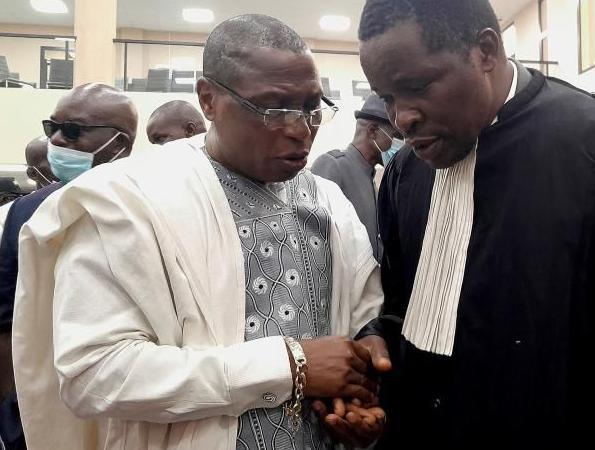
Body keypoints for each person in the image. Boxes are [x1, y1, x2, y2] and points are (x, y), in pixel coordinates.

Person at [354, 0, 595, 448]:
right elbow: (404, 307)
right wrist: (377, 341)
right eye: (388, 98)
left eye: (419, 86)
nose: (401, 119)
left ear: (485, 51)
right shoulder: (408, 172)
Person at [12, 15, 385, 450]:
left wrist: (356, 397)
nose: (299, 130)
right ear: (208, 100)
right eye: (273, 110)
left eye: (311, 109)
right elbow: (93, 374)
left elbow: (360, 318)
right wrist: (289, 365)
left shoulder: (329, 203)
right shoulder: (127, 202)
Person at [0, 83, 137, 450]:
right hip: (39, 401)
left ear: (120, 144)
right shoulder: (25, 212)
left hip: (124, 402)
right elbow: (6, 317)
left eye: (73, 131)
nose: (57, 141)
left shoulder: (149, 209)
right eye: (52, 128)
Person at [311, 94, 404, 259]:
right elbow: (317, 239)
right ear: (373, 131)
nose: (399, 145)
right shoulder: (333, 166)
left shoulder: (372, 177)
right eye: (395, 137)